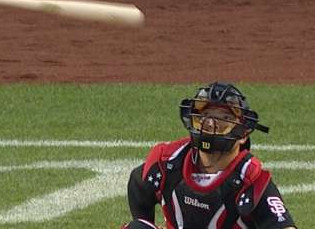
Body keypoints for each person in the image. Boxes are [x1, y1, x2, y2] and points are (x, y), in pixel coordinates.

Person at [123, 82, 297, 229]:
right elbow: (138, 184)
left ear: (243, 134)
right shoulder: (169, 161)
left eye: (224, 118)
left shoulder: (251, 181)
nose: (211, 124)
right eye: (205, 116)